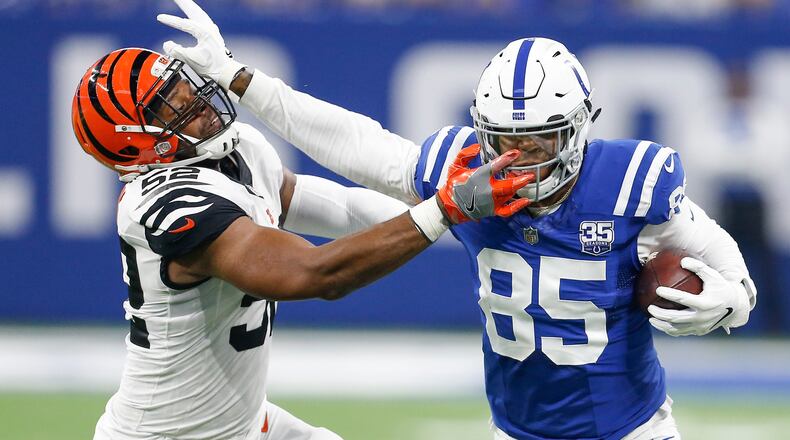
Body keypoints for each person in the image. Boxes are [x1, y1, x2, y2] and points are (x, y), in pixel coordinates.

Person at [157, 1, 759, 439]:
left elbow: (727, 265)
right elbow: (357, 144)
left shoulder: (629, 183)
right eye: (504, 140)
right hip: (514, 430)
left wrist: (730, 300)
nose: (519, 158)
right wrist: (242, 80)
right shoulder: (467, 175)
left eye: (540, 141)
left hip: (632, 430)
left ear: (578, 129)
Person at [73, 39, 533, 440]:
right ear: (132, 142)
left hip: (240, 424)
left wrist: (458, 220)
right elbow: (315, 274)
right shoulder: (167, 204)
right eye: (172, 107)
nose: (199, 103)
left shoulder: (238, 151)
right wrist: (443, 211)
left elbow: (340, 208)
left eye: (186, 89)